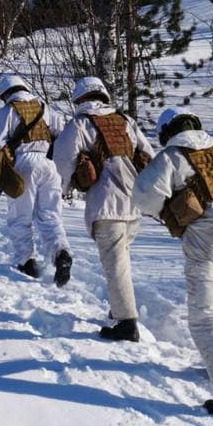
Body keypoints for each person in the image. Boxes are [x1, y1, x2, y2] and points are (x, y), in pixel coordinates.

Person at [132, 107, 213, 421]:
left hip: (205, 238)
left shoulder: (172, 157)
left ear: (167, 132)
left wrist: (166, 211)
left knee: (203, 317)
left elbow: (145, 195)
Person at [52, 77, 155, 340]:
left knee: (115, 262)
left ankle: (126, 323)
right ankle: (119, 307)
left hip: (107, 203)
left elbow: (63, 159)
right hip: (134, 202)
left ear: (80, 99)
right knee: (122, 259)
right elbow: (148, 154)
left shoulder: (80, 124)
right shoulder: (127, 121)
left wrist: (62, 189)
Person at [0, 74, 72, 286]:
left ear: (6, 93)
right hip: (48, 165)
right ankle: (61, 252)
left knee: (20, 216)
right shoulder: (45, 108)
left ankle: (27, 261)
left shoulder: (8, 110)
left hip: (23, 164)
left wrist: (2, 162)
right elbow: (61, 135)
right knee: (50, 215)